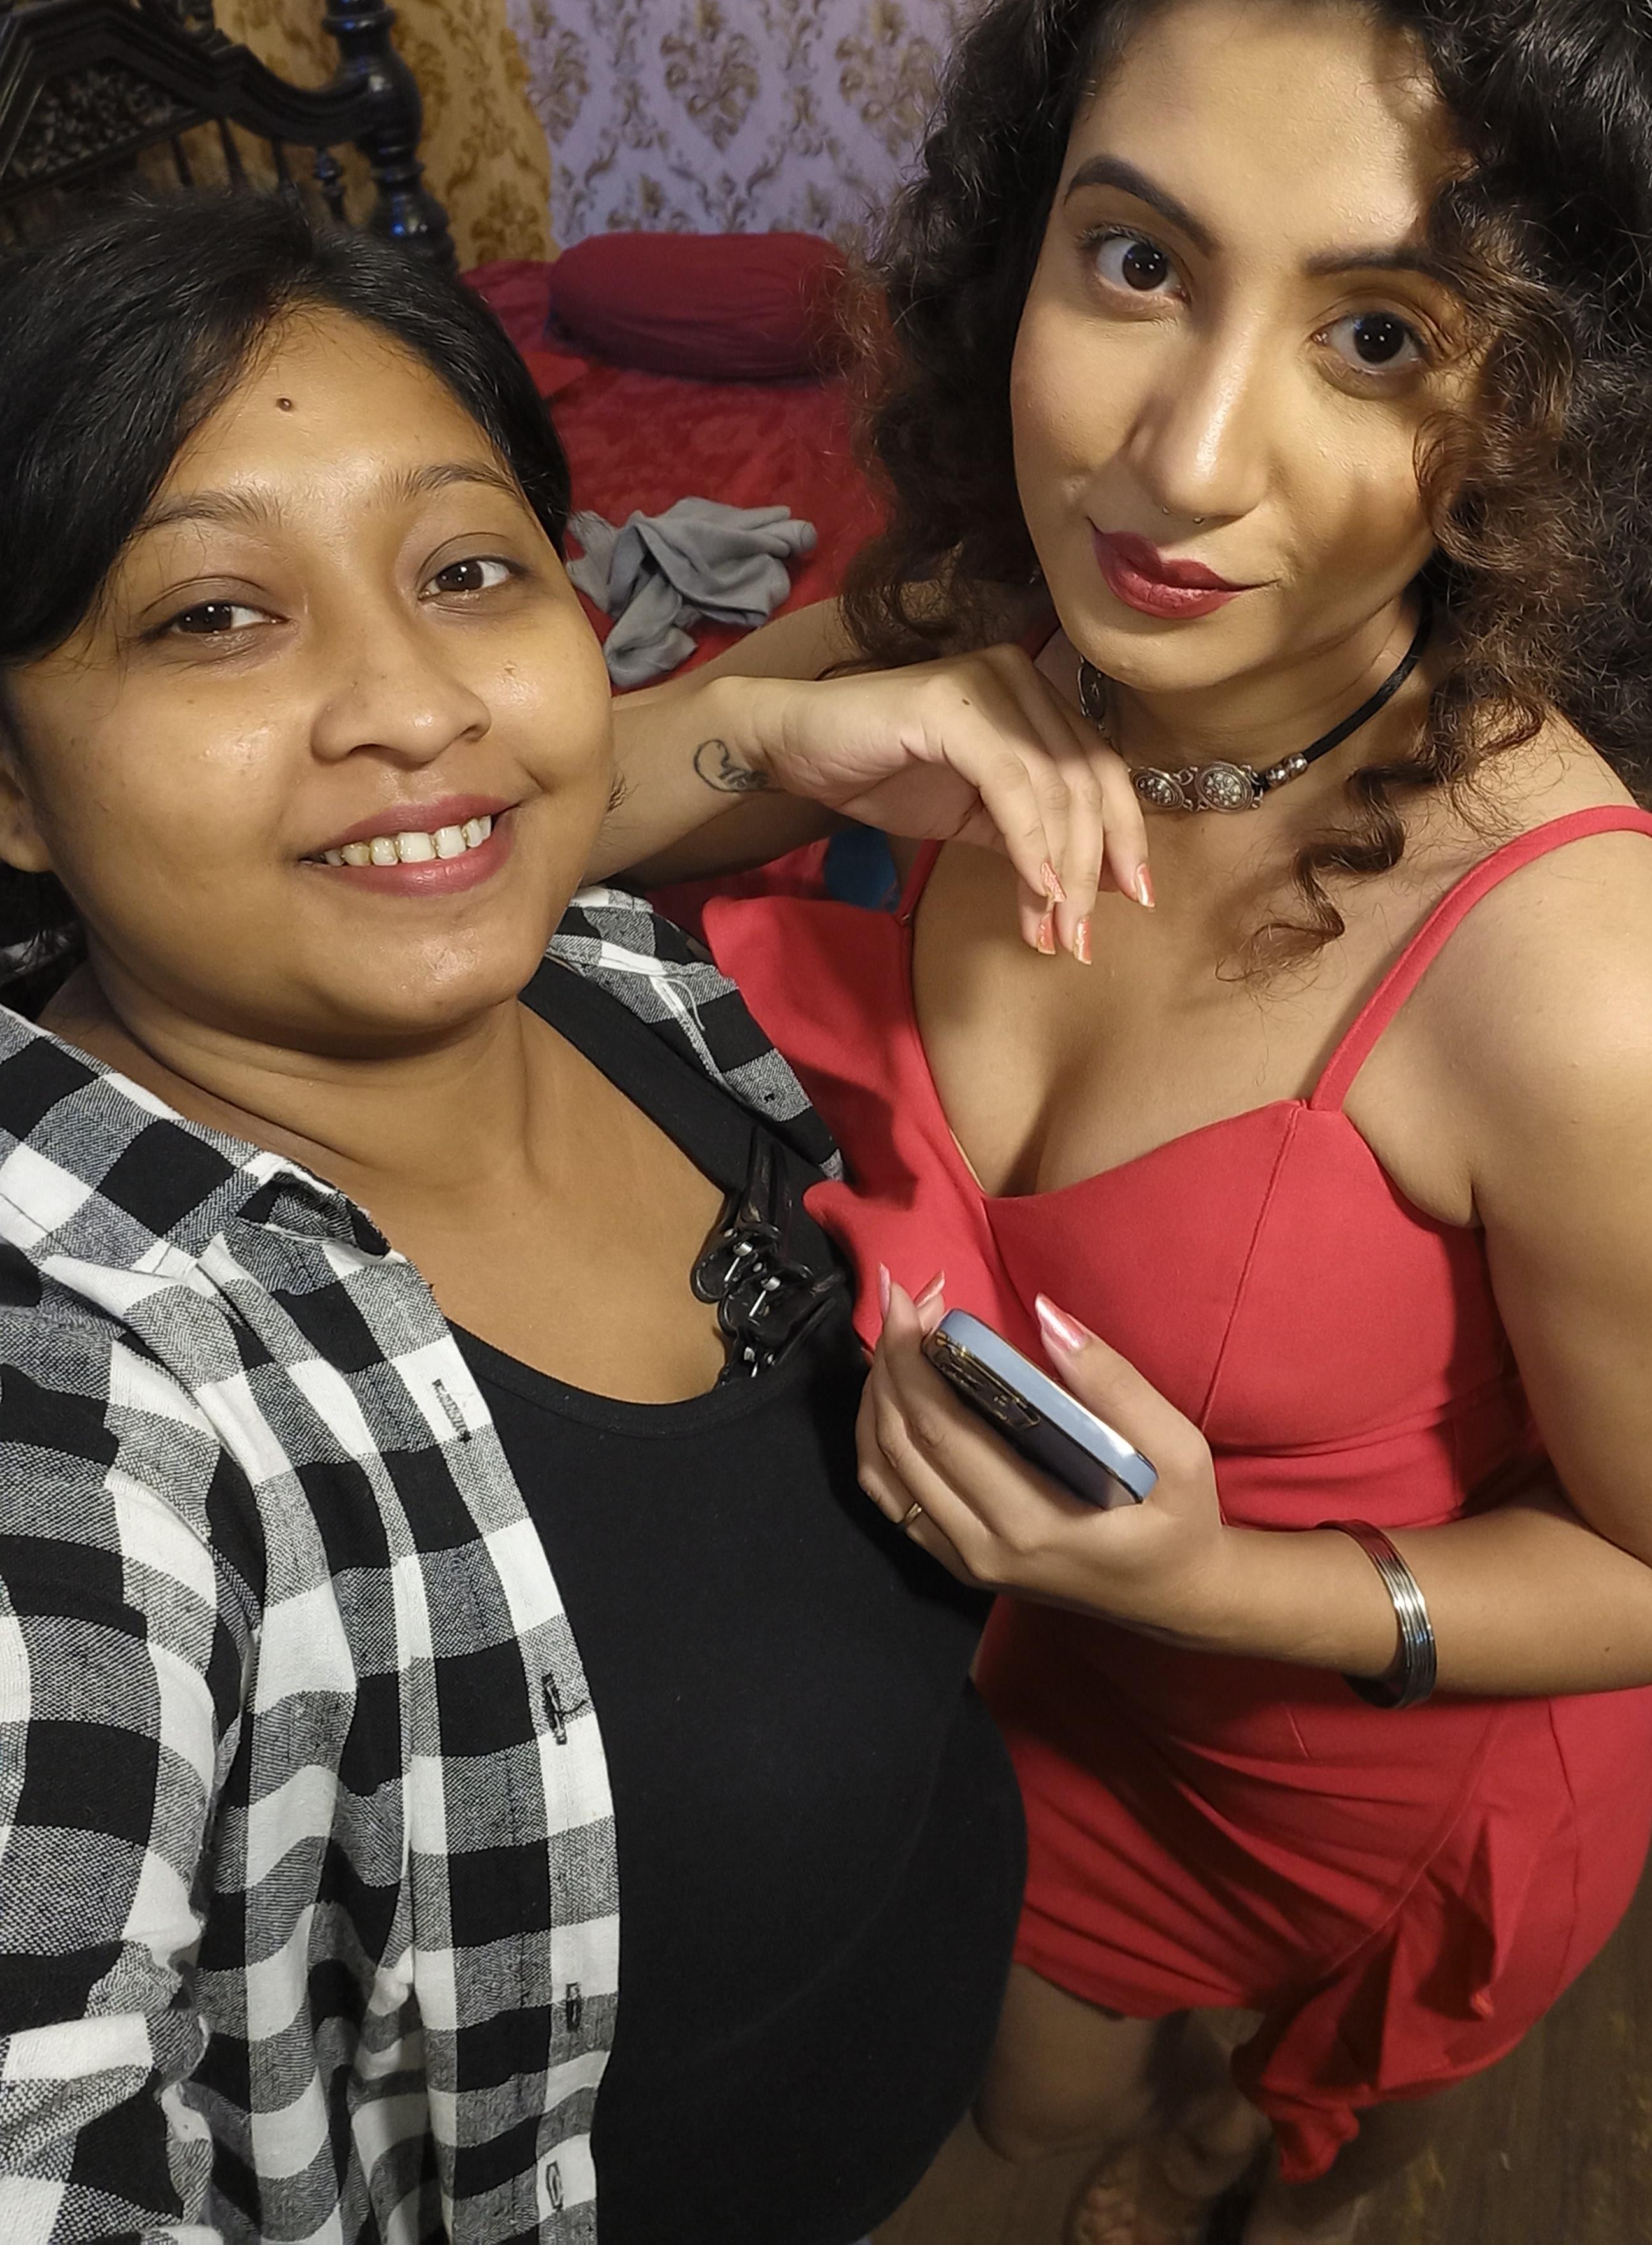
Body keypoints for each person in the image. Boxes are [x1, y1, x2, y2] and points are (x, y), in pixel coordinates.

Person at [601, 0, 1652, 2237]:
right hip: (983, 1638)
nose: (1180, 462)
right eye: (1137, 262)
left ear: (1542, 414)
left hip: (1321, 1738)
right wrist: (786, 722)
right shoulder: (966, 625)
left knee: (1165, 2127)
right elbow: (486, 854)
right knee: (986, 2086)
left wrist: (1207, 1582)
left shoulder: (1580, 993)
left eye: (1379, 334)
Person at [0, 189, 1149, 2244]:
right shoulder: (89, 1405)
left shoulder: (625, 983)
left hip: (935, 2048)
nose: (413, 704)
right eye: (214, 617)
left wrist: (750, 721)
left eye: (468, 570)